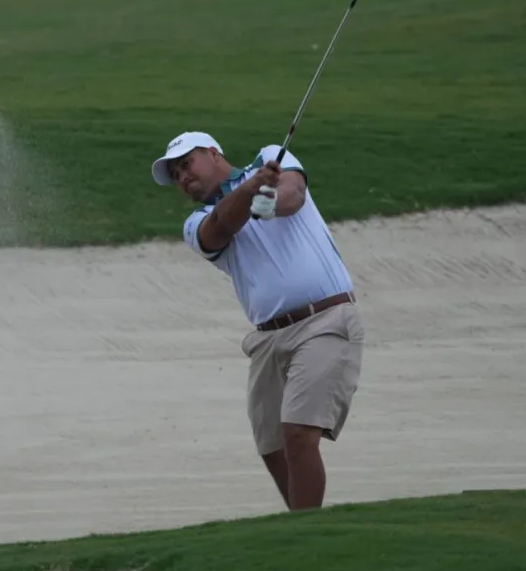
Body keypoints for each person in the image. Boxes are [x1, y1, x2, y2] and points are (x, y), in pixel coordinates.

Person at [150, 130, 365, 511]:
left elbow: (293, 195)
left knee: (298, 432)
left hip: (325, 319)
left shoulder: (270, 156)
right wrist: (252, 192)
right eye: (176, 175)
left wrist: (269, 199)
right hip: (267, 340)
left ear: (213, 153)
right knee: (272, 445)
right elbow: (220, 227)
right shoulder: (195, 223)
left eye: (186, 164)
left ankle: (307, 530)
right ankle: (301, 522)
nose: (183, 176)